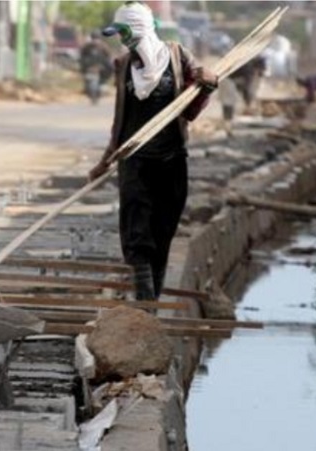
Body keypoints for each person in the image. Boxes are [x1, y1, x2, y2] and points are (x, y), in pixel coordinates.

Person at [88, 2, 217, 301]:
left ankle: (151, 309)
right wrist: (105, 160)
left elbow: (191, 111)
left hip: (171, 161)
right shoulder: (122, 66)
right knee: (136, 238)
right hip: (134, 161)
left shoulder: (178, 56)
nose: (122, 40)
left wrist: (206, 88)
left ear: (140, 29)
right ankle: (144, 304)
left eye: (124, 33)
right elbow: (121, 119)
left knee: (162, 235)